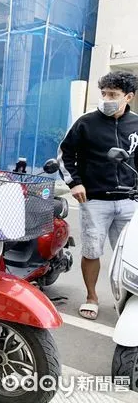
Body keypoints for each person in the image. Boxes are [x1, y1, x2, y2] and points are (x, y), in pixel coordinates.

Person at [59, 70, 138, 321]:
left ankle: (126, 301)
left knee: (128, 256)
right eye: (103, 93)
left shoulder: (136, 124)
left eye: (112, 94)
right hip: (93, 199)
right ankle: (92, 297)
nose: (106, 98)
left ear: (129, 97)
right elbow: (65, 154)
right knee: (92, 251)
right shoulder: (86, 121)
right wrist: (75, 183)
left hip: (129, 200)